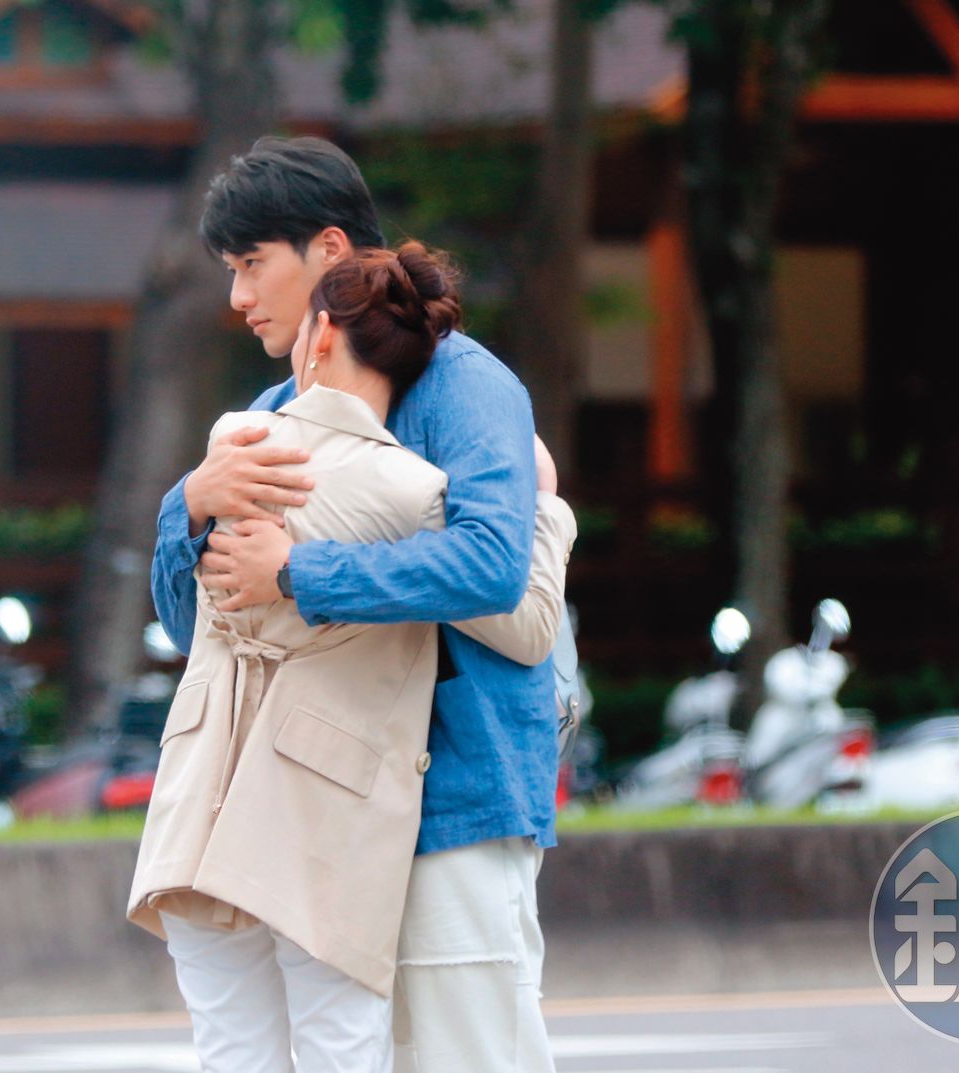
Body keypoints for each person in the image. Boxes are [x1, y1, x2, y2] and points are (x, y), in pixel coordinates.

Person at [150, 137, 561, 1072]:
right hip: (314, 809)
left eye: (252, 263)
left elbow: (493, 565)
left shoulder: (467, 382)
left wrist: (301, 570)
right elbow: (196, 628)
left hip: (453, 796)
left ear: (329, 250)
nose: (238, 296)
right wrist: (191, 505)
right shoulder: (267, 413)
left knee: (469, 1056)